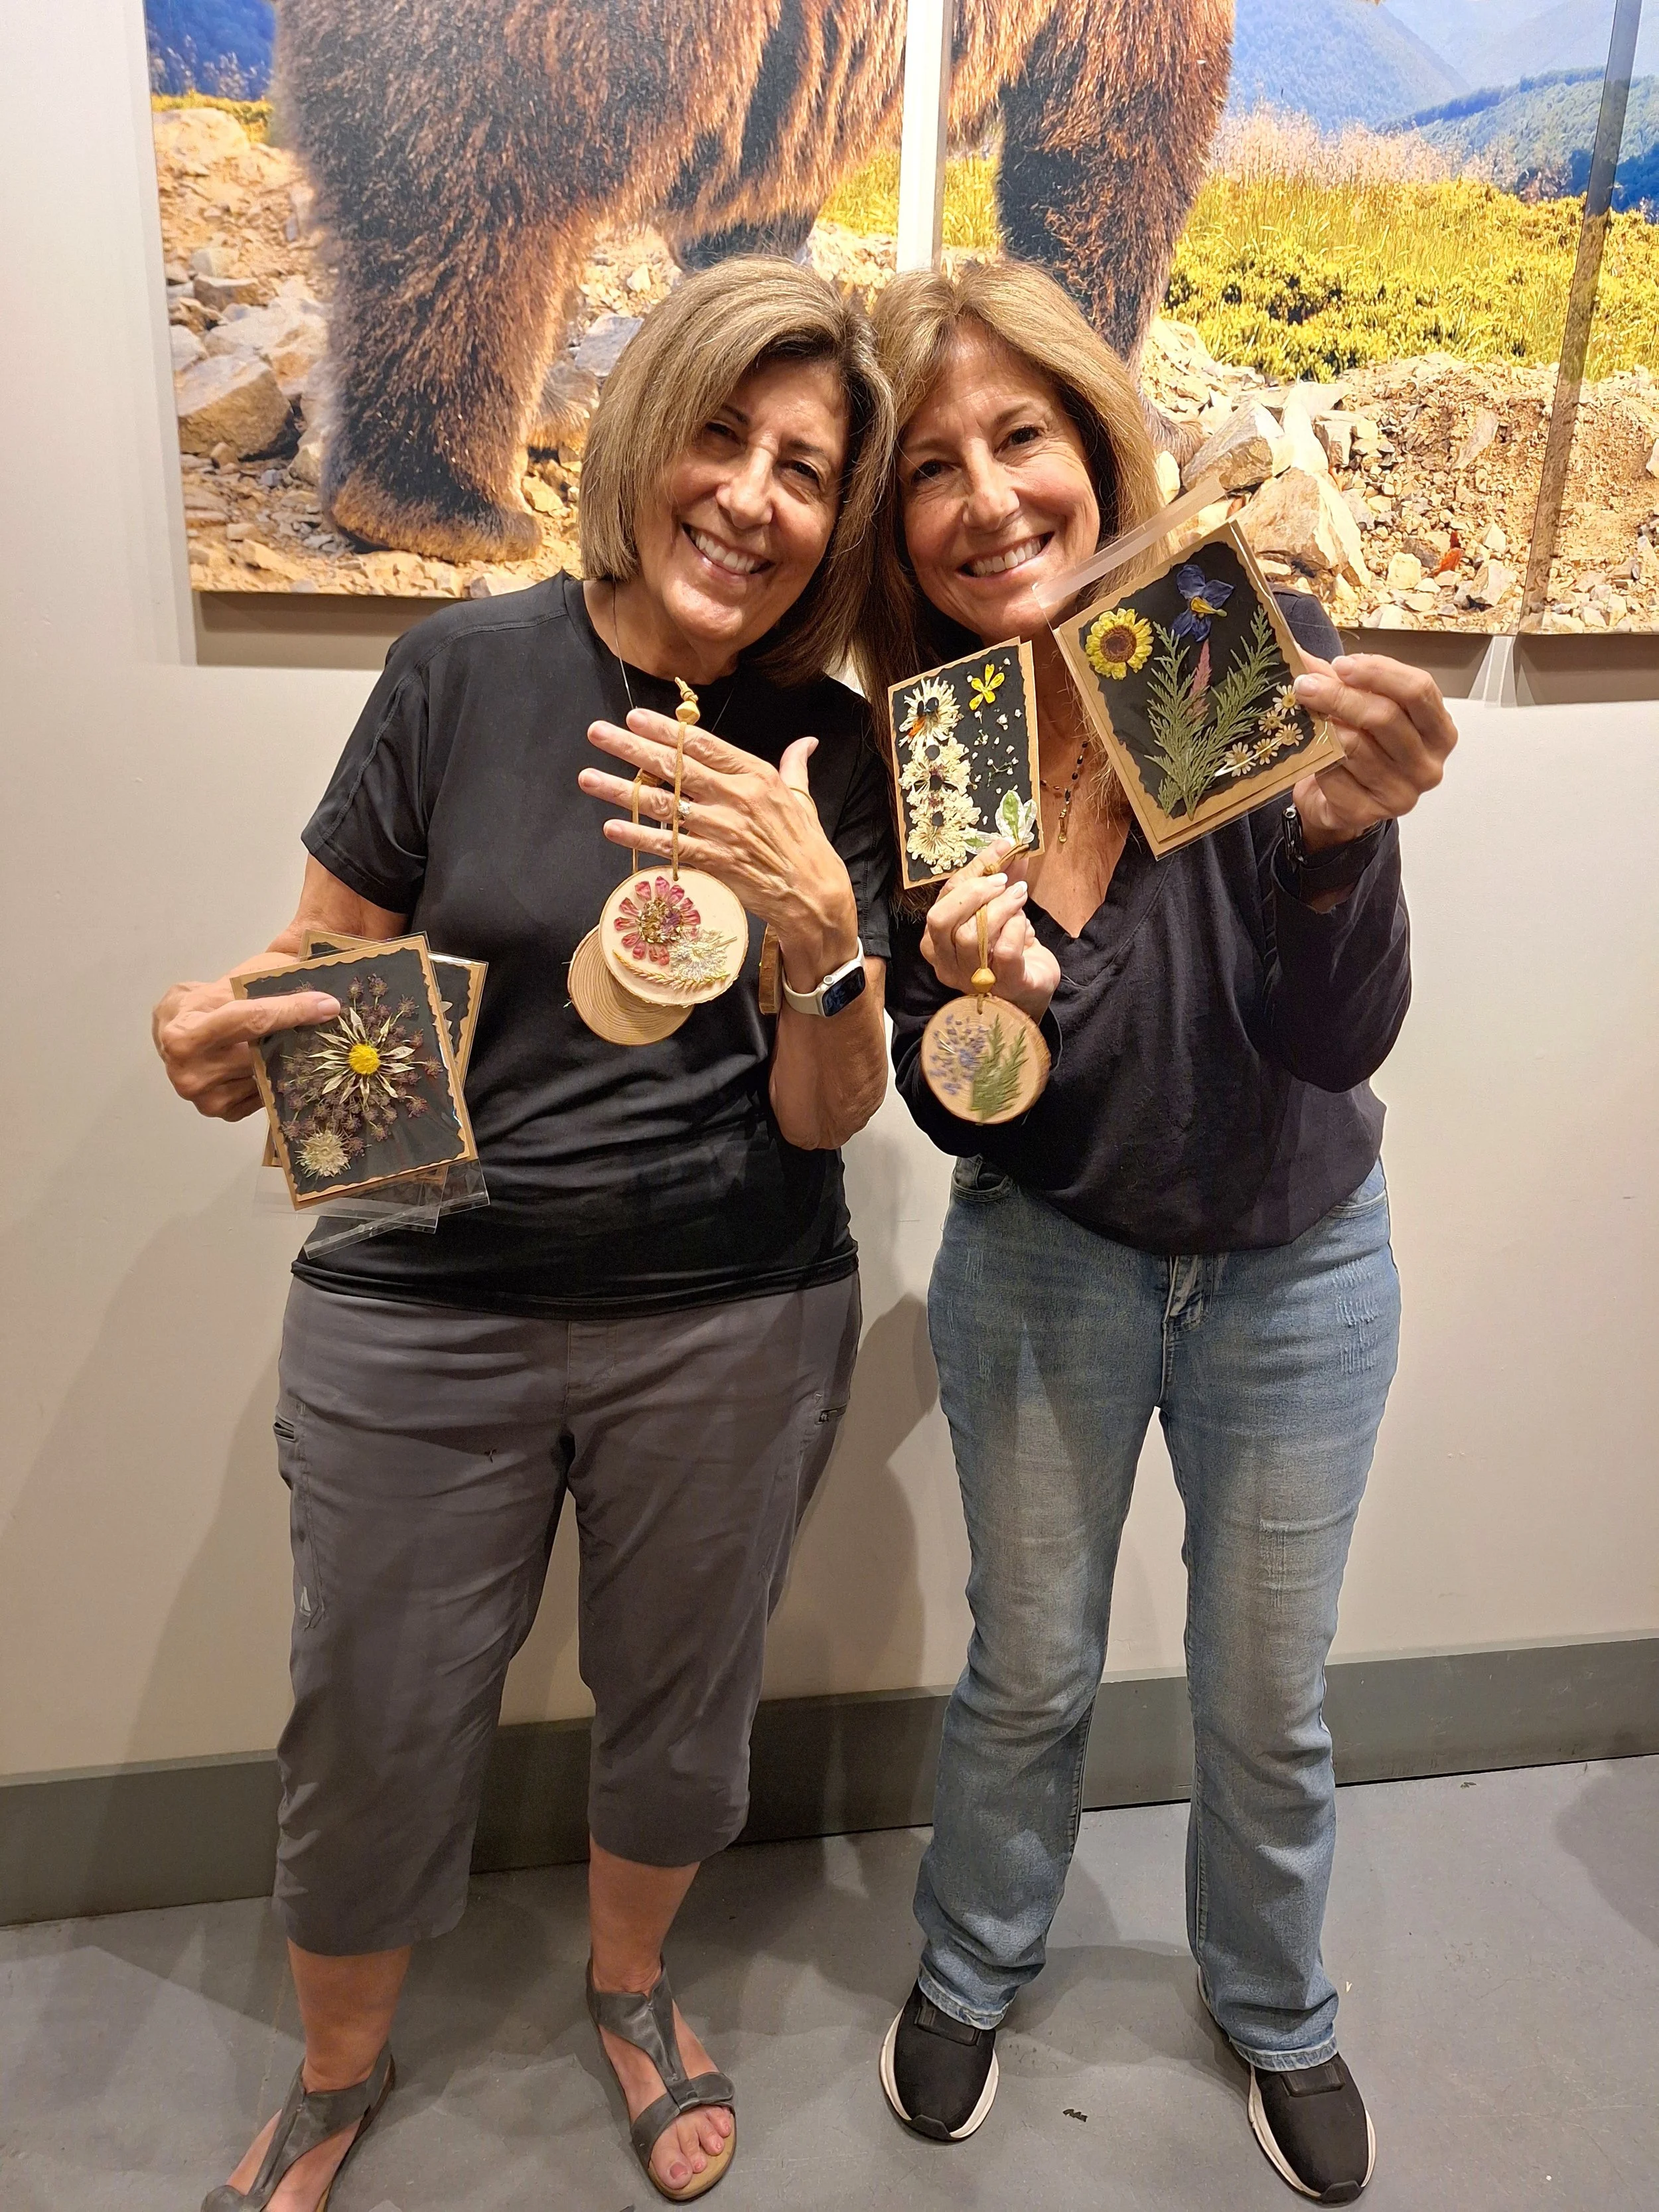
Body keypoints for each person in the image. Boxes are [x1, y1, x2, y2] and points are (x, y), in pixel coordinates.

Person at [153, 258, 897, 2210]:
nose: (752, 496)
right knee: (374, 1715)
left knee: (684, 1697)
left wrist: (823, 935)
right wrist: (226, 1036)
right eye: (723, 435)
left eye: (806, 468)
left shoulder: (828, 748)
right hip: (419, 1307)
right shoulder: (462, 670)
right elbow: (317, 961)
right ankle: (335, 2074)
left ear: (836, 519)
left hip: (730, 1311)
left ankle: (633, 1987)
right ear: (646, 440)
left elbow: (825, 1115)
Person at [855, 259, 1457, 2204]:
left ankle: (1275, 2003)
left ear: (1096, 444)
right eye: (929, 466)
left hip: (1297, 1261)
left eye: (1019, 435)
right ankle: (972, 1960)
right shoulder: (932, 747)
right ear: (893, 524)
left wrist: (1344, 847)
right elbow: (955, 1101)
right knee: (1027, 1668)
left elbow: (1334, 1037)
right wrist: (997, 1000)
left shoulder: (1226, 642)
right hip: (1049, 1258)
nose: (986, 498)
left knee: (1265, 1695)